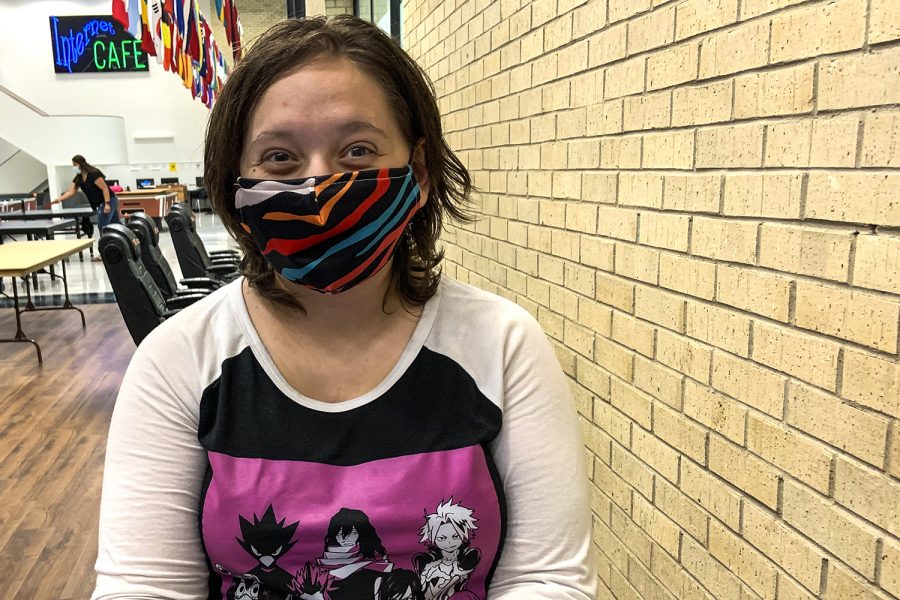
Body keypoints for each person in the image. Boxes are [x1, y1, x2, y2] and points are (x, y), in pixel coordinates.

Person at [91, 15, 594, 600]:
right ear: (236, 183)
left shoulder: (502, 345)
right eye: (279, 157)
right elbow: (146, 586)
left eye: (358, 150)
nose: (319, 186)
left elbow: (547, 578)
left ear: (421, 172)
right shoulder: (178, 360)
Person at [50, 154, 120, 260]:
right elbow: (70, 192)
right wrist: (59, 199)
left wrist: (107, 204)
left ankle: (104, 252)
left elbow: (105, 189)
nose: (73, 167)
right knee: (116, 224)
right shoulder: (79, 178)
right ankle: (122, 246)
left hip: (108, 200)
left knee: (102, 226)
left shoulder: (94, 174)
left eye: (74, 165)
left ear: (81, 164)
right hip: (100, 203)